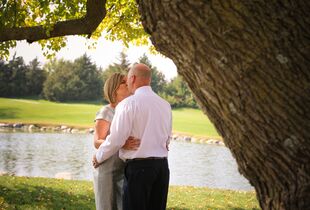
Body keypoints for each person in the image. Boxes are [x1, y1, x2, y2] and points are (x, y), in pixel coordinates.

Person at [93, 63, 172, 210]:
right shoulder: (165, 104)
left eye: (128, 79)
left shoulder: (128, 104)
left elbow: (116, 139)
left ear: (133, 78)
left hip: (139, 168)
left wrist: (98, 157)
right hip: (162, 168)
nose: (128, 84)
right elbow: (167, 139)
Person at [93, 72, 140, 210]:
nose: (128, 85)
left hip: (125, 169)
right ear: (114, 88)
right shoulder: (106, 111)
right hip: (108, 169)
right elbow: (97, 142)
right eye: (124, 83)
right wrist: (121, 143)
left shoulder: (129, 109)